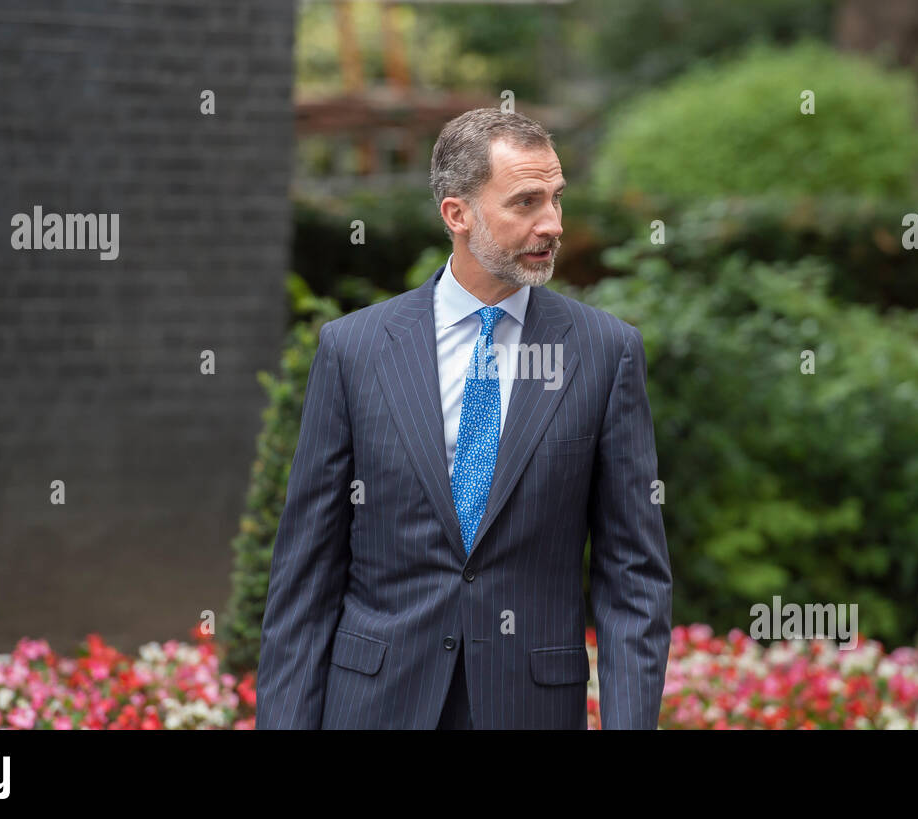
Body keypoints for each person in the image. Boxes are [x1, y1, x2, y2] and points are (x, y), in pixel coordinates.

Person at [256, 108, 672, 729]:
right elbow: (306, 575)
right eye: (526, 203)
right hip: (375, 705)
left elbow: (633, 579)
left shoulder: (604, 353)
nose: (552, 224)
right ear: (457, 214)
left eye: (556, 199)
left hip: (529, 707)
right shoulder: (355, 350)